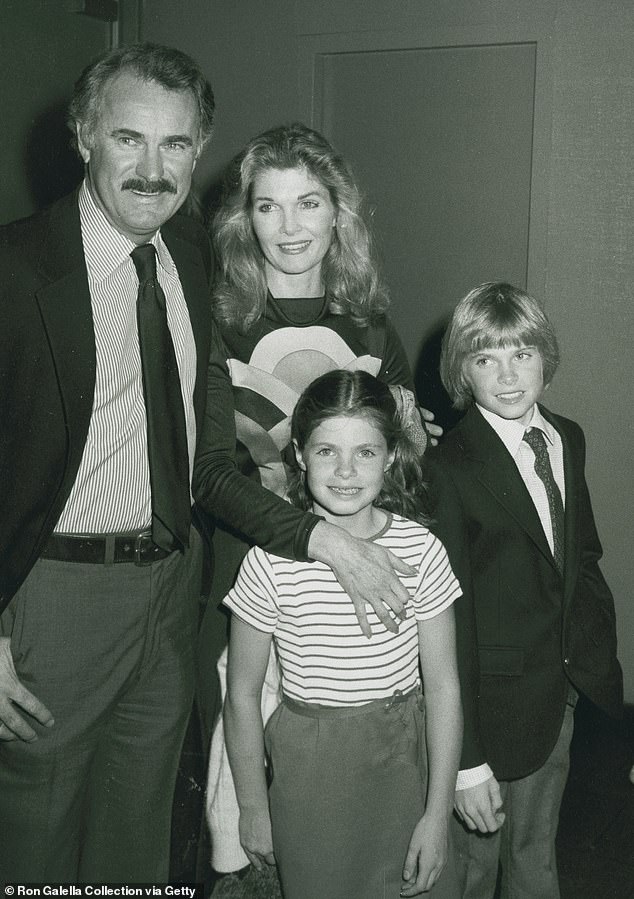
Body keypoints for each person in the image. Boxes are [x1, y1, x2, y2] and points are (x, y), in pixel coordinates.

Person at [191, 122, 441, 883]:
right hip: (252, 581)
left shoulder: (368, 324)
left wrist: (416, 438)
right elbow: (208, 475)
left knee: (363, 809)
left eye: (309, 203)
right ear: (244, 218)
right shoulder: (217, 318)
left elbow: (401, 475)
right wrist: (319, 540)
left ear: (340, 214)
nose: (290, 227)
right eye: (268, 207)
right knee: (244, 817)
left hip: (363, 596)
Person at [0, 43, 216, 882]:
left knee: (137, 836)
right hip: (51, 597)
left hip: (169, 593)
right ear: (84, 135)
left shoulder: (189, 256)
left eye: (176, 145)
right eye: (129, 139)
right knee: (37, 842)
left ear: (200, 150)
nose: (153, 169)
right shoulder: (15, 269)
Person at [223, 369, 463, 899]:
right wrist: (252, 807)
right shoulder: (269, 562)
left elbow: (444, 685)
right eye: (327, 451)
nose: (346, 471)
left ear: (391, 456)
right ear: (301, 456)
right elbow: (241, 695)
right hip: (312, 777)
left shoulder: (421, 549)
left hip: (406, 767)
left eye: (366, 453)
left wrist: (437, 815)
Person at [426, 282, 623, 898]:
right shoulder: (449, 467)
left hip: (556, 693)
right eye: (486, 359)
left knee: (536, 861)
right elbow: (446, 616)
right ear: (462, 370)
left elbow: (582, 557)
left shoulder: (568, 437)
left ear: (547, 357)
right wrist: (465, 759)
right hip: (484, 710)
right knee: (470, 874)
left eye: (523, 355)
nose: (508, 376)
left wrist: (591, 662)